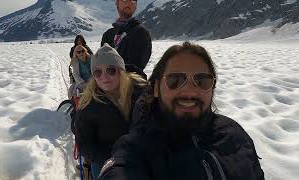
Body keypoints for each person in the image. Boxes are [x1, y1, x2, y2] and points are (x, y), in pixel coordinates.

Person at [98, 42, 265, 180]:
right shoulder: (137, 148)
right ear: (156, 88)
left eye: (202, 81)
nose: (190, 92)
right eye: (175, 80)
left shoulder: (233, 134)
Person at [74, 43, 147, 180]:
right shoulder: (88, 104)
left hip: (143, 153)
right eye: (97, 72)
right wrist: (111, 161)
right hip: (106, 158)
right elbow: (85, 143)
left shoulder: (141, 92)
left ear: (121, 71)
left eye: (111, 70)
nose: (104, 77)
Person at [101, 0, 152, 77]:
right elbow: (102, 63)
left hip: (131, 85)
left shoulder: (141, 33)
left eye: (133, 0)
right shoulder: (108, 35)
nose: (129, 3)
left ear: (136, 6)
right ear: (117, 3)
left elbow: (136, 67)